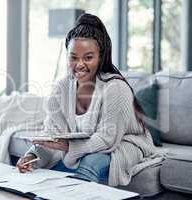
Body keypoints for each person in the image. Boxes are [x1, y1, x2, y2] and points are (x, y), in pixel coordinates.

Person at [16, 13, 163, 186]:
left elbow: (108, 138)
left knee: (91, 162)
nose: (79, 64)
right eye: (73, 57)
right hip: (84, 146)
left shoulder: (116, 88)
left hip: (123, 144)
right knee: (47, 171)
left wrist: (69, 147)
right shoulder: (61, 88)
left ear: (100, 57)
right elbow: (52, 132)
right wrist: (32, 156)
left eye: (88, 57)